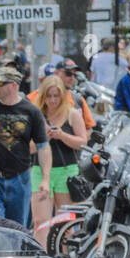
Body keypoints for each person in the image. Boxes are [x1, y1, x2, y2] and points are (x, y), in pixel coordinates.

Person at [0, 66, 50, 227]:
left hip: (20, 178)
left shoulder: (31, 111)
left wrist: (45, 179)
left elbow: (43, 146)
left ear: (13, 85)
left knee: (17, 228)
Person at [29, 74, 87, 222]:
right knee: (40, 221)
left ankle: (64, 246)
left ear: (63, 96)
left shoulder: (72, 114)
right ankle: (42, 246)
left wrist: (62, 136)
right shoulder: (37, 115)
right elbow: (29, 148)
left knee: (65, 222)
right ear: (43, 96)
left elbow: (82, 143)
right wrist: (44, 138)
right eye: (49, 96)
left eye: (56, 96)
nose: (53, 100)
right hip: (39, 171)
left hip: (66, 171)